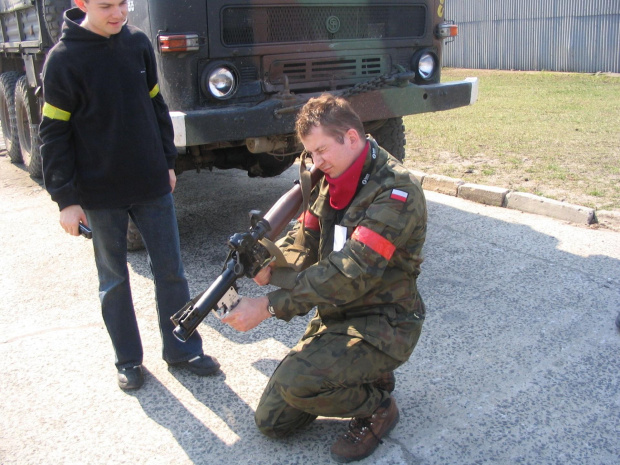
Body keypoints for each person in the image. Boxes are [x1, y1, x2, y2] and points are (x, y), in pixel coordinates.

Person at [222, 94, 427, 462]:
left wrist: (269, 306)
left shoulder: (396, 193)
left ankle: (377, 406)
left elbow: (350, 273)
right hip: (336, 314)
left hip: (384, 323)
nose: (315, 163)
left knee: (298, 383)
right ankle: (362, 376)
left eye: (321, 150)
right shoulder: (332, 177)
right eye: (310, 154)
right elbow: (306, 235)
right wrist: (271, 259)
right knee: (272, 422)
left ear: (351, 137)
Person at [39, 0, 219, 391]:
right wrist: (65, 199)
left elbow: (156, 104)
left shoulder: (137, 43)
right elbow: (53, 134)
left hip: (151, 183)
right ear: (81, 4)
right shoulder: (63, 60)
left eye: (123, 3)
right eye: (107, 6)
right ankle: (128, 361)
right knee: (114, 281)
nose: (119, 13)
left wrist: (167, 162)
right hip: (100, 193)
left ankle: (182, 350)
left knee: (172, 273)